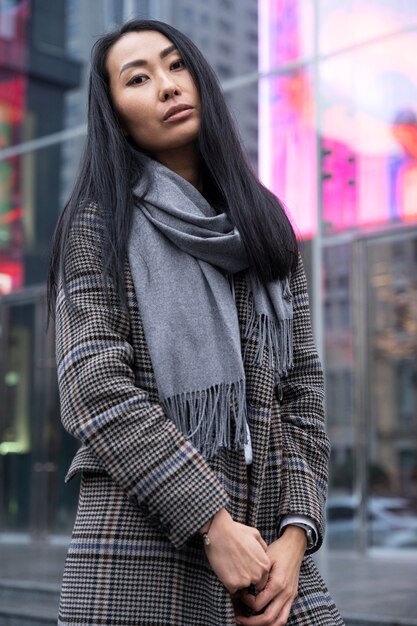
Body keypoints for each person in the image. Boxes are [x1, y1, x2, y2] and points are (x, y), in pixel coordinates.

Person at [47, 18, 344, 626]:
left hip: (266, 549)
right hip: (142, 545)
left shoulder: (265, 226)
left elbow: (303, 397)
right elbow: (94, 391)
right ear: (116, 112)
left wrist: (295, 538)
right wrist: (212, 524)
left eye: (176, 65)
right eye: (138, 78)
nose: (166, 86)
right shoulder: (97, 224)